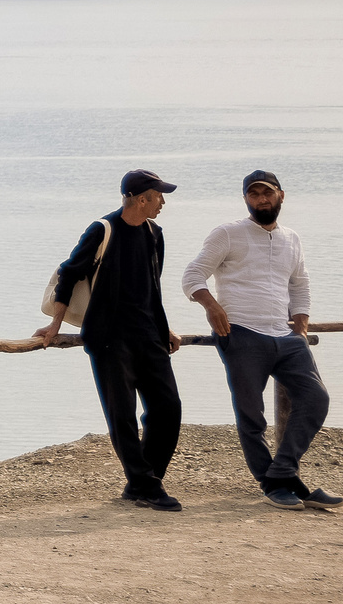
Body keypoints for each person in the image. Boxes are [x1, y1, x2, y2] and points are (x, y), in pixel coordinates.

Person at [183, 170, 330, 510]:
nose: (261, 199)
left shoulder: (291, 238)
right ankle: (275, 485)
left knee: (316, 399)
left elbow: (299, 282)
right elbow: (193, 275)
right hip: (242, 335)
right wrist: (212, 307)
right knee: (252, 415)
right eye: (254, 194)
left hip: (286, 336)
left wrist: (302, 322)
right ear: (246, 199)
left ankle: (283, 474)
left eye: (267, 193)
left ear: (281, 196)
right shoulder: (228, 234)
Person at [39, 170, 184, 510]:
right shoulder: (102, 230)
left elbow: (152, 288)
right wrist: (54, 326)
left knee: (169, 409)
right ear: (140, 198)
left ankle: (145, 482)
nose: (163, 202)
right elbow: (70, 274)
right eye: (158, 195)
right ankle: (144, 484)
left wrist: (165, 328)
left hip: (150, 336)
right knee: (122, 415)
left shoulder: (154, 233)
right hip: (110, 339)